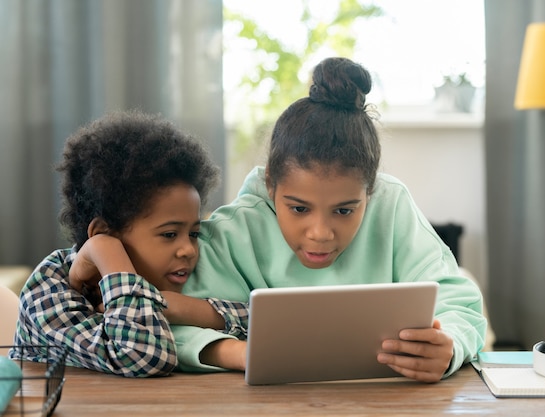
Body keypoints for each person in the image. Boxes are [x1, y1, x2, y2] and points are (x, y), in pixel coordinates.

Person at [173, 57, 487, 382]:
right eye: (298, 208)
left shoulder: (391, 205)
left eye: (344, 210)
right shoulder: (234, 231)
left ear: (370, 192)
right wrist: (236, 353)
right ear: (270, 185)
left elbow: (460, 304)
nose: (320, 234)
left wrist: (448, 346)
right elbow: (172, 325)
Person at [10, 111, 247, 377]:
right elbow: (142, 356)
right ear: (104, 232)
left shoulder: (167, 273)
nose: (189, 250)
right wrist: (106, 251)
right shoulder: (51, 290)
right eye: (169, 234)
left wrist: (183, 308)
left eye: (193, 233)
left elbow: (260, 318)